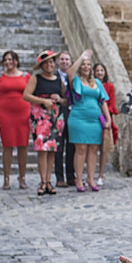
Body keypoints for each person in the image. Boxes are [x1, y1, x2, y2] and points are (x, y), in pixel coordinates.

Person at [23, 50, 66, 195]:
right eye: (46, 63)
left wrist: (59, 99)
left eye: (51, 62)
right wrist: (43, 100)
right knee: (42, 149)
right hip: (40, 117)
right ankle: (42, 181)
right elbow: (26, 95)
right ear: (42, 65)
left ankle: (48, 181)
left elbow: (65, 99)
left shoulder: (58, 80)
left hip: (55, 117)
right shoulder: (36, 78)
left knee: (52, 149)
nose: (49, 65)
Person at [65, 51, 110, 192]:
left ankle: (91, 178)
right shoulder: (76, 80)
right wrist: (81, 57)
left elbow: (103, 101)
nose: (86, 67)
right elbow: (69, 73)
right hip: (79, 118)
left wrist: (108, 118)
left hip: (94, 120)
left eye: (88, 64)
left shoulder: (97, 82)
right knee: (81, 149)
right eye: (83, 64)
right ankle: (78, 179)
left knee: (93, 149)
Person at [0, 50, 31, 190]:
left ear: (16, 61)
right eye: (5, 60)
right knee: (7, 145)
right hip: (6, 114)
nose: (7, 62)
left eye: (10, 59)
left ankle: (22, 176)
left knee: (23, 145)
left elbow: (31, 94)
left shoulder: (26, 76)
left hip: (23, 113)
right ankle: (6, 177)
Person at [93, 63, 118, 186]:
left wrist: (105, 112)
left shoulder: (110, 87)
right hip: (93, 118)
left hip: (105, 120)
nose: (99, 73)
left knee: (104, 149)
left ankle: (100, 175)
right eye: (97, 71)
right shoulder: (91, 86)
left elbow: (112, 105)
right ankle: (91, 174)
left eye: (101, 70)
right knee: (92, 149)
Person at [54, 51, 76, 187]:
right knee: (59, 146)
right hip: (58, 113)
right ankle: (59, 177)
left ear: (71, 62)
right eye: (62, 59)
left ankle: (71, 175)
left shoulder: (74, 78)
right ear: (58, 62)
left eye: (67, 60)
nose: (64, 62)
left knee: (72, 146)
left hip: (73, 113)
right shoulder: (53, 77)